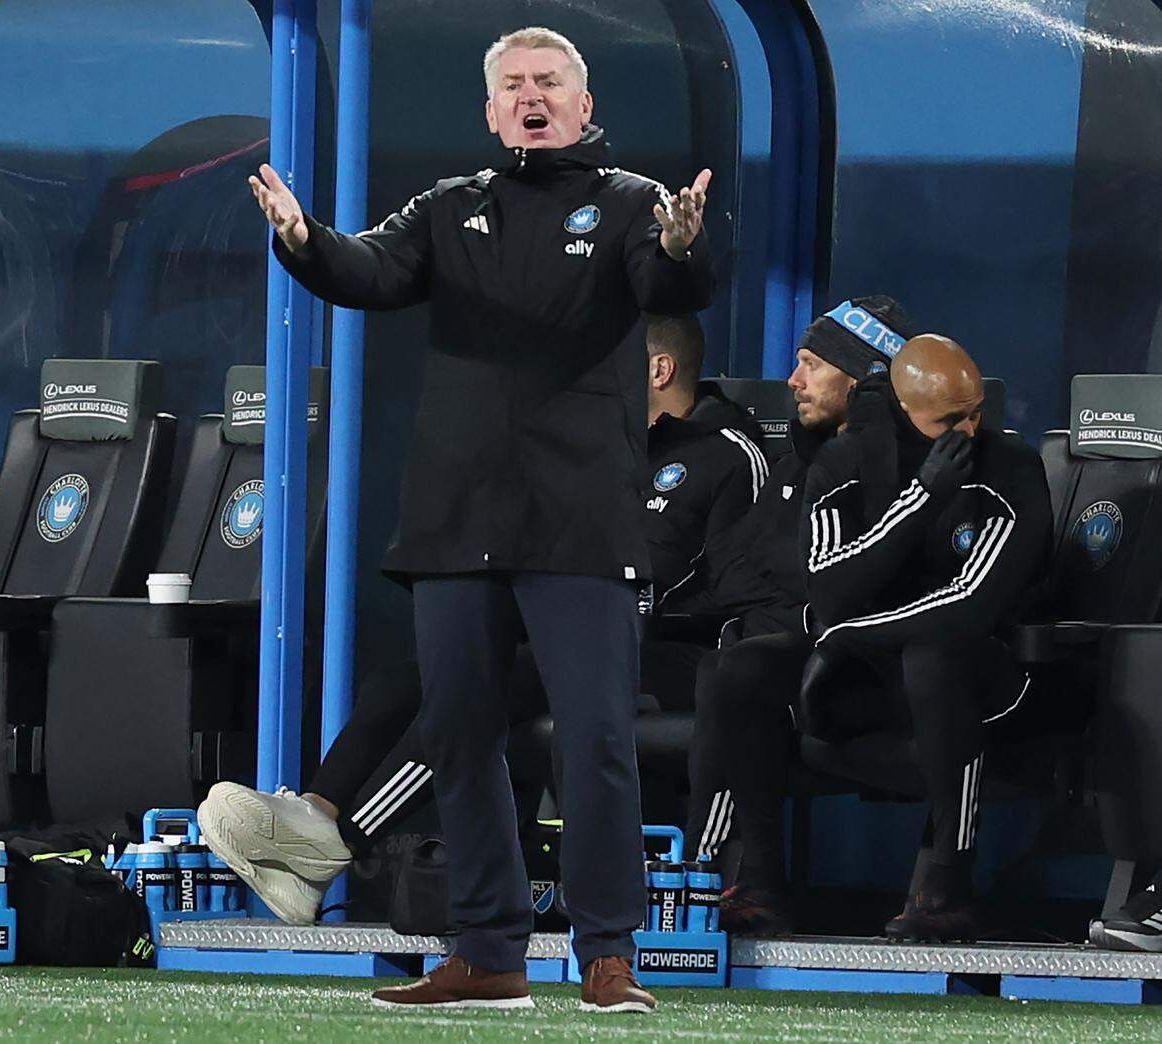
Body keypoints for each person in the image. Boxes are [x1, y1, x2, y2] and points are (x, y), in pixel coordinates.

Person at [200, 26, 713, 1013]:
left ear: (582, 98)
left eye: (547, 81)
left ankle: (609, 954)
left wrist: (685, 246)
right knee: (461, 735)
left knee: (596, 740)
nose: (530, 96)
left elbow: (666, 279)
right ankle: (488, 952)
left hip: (578, 518)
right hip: (459, 512)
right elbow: (370, 272)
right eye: (513, 84)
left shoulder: (634, 205)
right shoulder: (451, 208)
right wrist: (303, 240)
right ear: (490, 111)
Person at [197, 312, 765, 920]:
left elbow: (736, 585)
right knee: (406, 678)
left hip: (668, 653)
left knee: (473, 688)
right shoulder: (605, 446)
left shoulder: (730, 455)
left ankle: (332, 848)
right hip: (569, 632)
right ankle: (316, 813)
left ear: (659, 368)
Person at [697, 335, 1053, 942]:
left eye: (974, 414)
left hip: (981, 674)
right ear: (901, 407)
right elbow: (829, 588)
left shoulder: (1010, 466)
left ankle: (948, 883)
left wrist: (844, 640)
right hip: (862, 668)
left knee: (933, 656)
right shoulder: (846, 462)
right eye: (947, 420)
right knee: (738, 670)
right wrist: (918, 503)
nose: (966, 430)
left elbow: (970, 605)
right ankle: (750, 881)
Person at [682, 296, 914, 865]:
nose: (793, 380)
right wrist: (792, 585)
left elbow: (845, 582)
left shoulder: (892, 470)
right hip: (771, 642)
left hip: (854, 666)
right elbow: (730, 568)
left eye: (812, 363)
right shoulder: (790, 465)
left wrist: (790, 590)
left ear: (864, 377)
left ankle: (705, 873)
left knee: (733, 672)